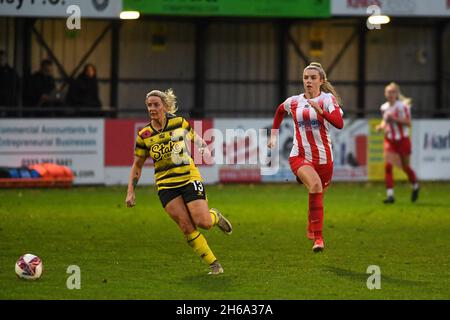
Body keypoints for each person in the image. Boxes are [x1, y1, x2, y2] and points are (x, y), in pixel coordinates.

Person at [125, 88, 233, 275]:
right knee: (186, 226)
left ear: (165, 106)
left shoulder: (179, 123)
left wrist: (203, 148)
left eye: (156, 105)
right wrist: (130, 191)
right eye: (149, 105)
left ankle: (215, 216)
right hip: (166, 186)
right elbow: (137, 165)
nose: (152, 108)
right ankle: (213, 264)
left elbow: (196, 138)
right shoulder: (144, 135)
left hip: (188, 178)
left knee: (204, 222)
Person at [268, 62, 344, 252]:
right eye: (305, 78)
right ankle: (318, 239)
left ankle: (312, 227)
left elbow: (339, 123)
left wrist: (321, 111)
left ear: (321, 81)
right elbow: (279, 111)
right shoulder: (294, 101)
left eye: (312, 78)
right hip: (299, 155)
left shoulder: (328, 100)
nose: (308, 81)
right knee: (315, 186)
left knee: (317, 194)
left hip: (325, 160)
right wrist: (274, 135)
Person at [375, 82, 419, 204]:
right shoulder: (384, 107)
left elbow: (408, 123)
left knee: (405, 167)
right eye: (388, 92)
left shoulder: (402, 107)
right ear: (385, 94)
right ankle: (390, 196)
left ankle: (415, 185)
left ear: (397, 94)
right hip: (390, 140)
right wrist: (381, 126)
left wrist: (394, 119)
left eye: (393, 92)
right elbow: (385, 122)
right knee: (388, 166)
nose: (391, 94)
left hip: (402, 140)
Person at [0, 49, 19, 116]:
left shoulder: (11, 72)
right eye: (0, 58)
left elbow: (17, 85)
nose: (1, 60)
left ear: (6, 59)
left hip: (9, 100)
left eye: (3, 58)